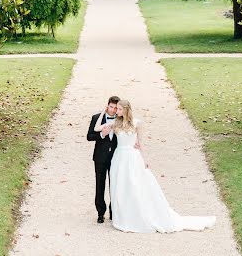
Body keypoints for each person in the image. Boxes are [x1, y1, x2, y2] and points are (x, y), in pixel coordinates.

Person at [94, 99, 216, 233]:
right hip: (119, 158)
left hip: (132, 157)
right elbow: (96, 128)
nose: (116, 111)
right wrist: (102, 112)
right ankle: (122, 215)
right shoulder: (115, 123)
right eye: (116, 109)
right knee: (120, 186)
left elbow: (140, 143)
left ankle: (137, 214)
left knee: (134, 184)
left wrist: (144, 159)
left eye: (119, 109)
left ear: (126, 110)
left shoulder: (137, 123)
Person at [87, 95, 120, 223]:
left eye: (115, 108)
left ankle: (114, 212)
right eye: (111, 107)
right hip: (100, 157)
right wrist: (101, 135)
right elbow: (89, 136)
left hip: (116, 157)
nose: (112, 110)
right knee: (100, 185)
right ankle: (100, 212)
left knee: (115, 185)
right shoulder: (97, 118)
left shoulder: (121, 119)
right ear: (107, 105)